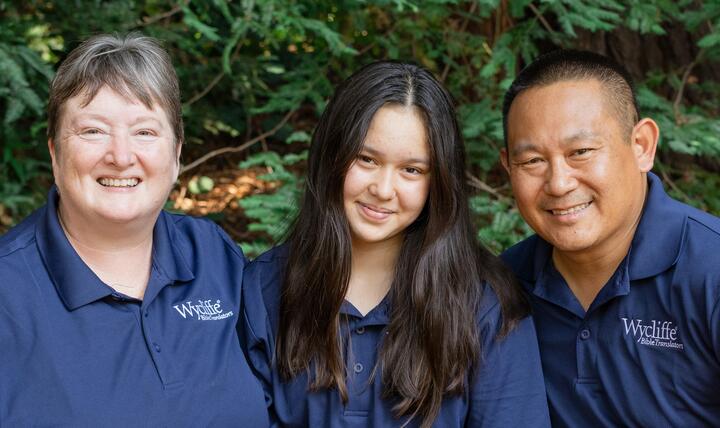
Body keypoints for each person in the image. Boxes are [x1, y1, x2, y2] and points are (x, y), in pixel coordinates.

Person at [240, 61, 550, 427]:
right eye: (366, 159)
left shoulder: (485, 303)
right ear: (331, 157)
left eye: (412, 170)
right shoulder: (264, 288)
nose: (384, 190)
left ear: (439, 182)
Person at [0, 33, 268, 426]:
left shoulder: (212, 254)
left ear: (176, 154)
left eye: (144, 131)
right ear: (55, 152)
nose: (121, 156)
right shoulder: (8, 293)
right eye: (93, 130)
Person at [500, 49, 720, 426]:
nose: (558, 183)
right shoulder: (502, 287)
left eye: (581, 152)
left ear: (642, 146)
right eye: (532, 161)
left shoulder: (710, 270)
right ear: (508, 166)